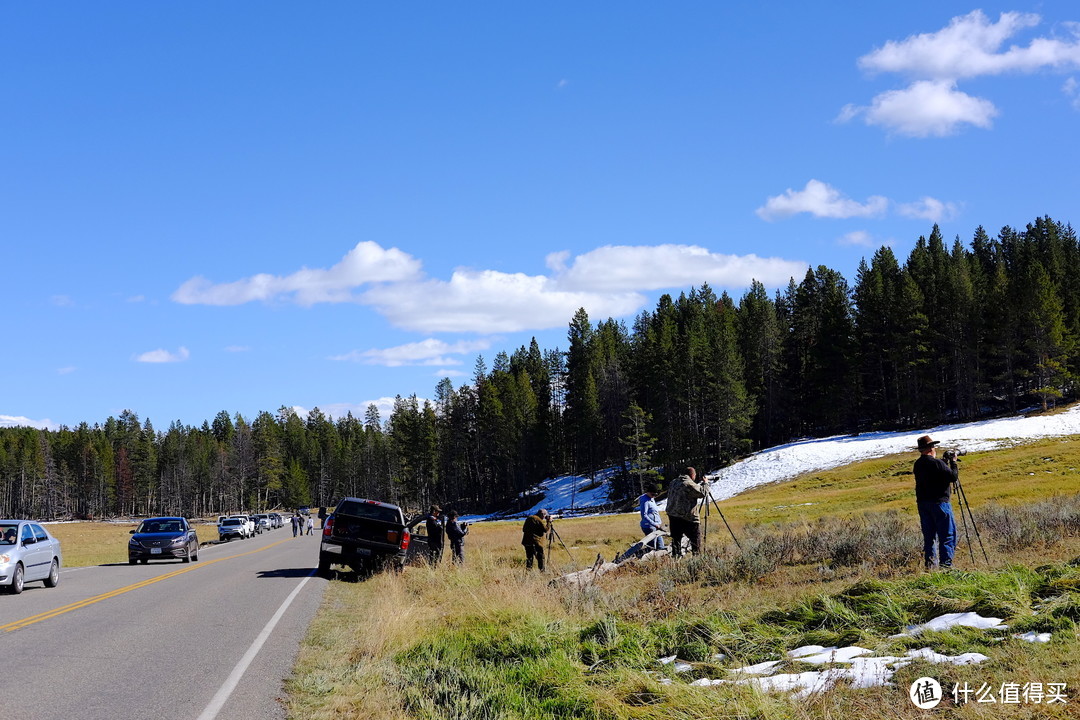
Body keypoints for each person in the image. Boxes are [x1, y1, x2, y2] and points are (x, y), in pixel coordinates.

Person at [913, 434, 959, 569]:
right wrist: (954, 462)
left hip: (923, 504)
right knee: (947, 535)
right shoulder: (936, 463)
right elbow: (953, 477)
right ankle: (946, 567)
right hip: (940, 503)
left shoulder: (918, 464)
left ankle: (931, 566)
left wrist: (943, 462)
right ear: (930, 448)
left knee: (930, 537)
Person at [665, 467, 707, 558]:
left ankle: (676, 559)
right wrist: (705, 483)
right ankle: (697, 559)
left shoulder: (674, 482)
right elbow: (702, 493)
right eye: (695, 475)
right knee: (695, 540)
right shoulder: (688, 483)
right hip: (687, 517)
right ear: (692, 475)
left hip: (673, 516)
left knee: (676, 540)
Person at [638, 484, 666, 550]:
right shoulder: (645, 501)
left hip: (655, 526)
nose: (654, 496)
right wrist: (654, 524)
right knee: (654, 547)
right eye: (652, 494)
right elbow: (644, 515)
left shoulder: (651, 498)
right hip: (649, 527)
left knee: (659, 545)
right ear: (648, 492)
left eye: (655, 495)